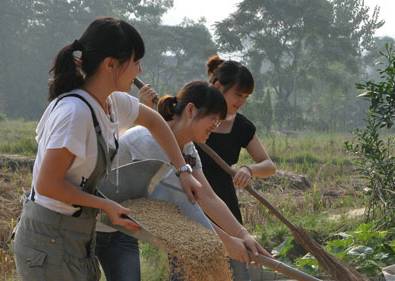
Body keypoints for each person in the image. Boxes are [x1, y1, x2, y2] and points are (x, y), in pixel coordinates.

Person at [13, 17, 201, 281]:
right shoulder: (75, 114)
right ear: (110, 64)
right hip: (50, 239)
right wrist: (105, 205)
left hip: (76, 235)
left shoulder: (111, 102)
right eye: (135, 62)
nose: (140, 70)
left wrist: (183, 170)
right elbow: (47, 185)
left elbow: (156, 121)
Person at [96, 81, 271, 281]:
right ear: (190, 110)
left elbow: (207, 196)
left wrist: (243, 235)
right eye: (213, 119)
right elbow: (179, 209)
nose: (215, 127)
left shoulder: (187, 148)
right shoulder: (147, 142)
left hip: (121, 229)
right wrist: (226, 242)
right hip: (92, 222)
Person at [195, 55, 277, 281]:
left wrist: (249, 170)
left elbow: (269, 165)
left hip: (223, 204)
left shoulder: (241, 126)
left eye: (246, 97)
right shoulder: (192, 116)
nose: (241, 101)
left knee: (232, 268)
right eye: (238, 94)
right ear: (218, 86)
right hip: (191, 197)